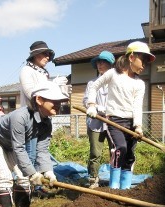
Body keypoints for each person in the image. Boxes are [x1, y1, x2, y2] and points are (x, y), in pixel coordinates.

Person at [0, 81, 68, 207]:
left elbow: (42, 150)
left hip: (9, 144)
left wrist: (48, 171)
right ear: (39, 100)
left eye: (60, 101)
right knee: (5, 175)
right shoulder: (20, 116)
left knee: (23, 178)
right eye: (54, 100)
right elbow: (19, 148)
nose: (58, 104)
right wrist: (33, 173)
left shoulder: (46, 123)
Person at [86, 41, 155, 190]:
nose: (144, 65)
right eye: (143, 60)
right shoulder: (113, 74)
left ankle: (126, 190)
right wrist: (91, 105)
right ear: (131, 57)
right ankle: (114, 187)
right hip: (114, 121)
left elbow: (137, 106)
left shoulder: (140, 84)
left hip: (130, 123)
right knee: (120, 149)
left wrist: (138, 126)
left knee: (129, 155)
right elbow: (94, 86)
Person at [19, 41, 69, 165]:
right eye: (45, 54)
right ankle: (27, 182)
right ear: (36, 55)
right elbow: (31, 93)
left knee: (41, 150)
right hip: (31, 115)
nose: (47, 57)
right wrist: (53, 85)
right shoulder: (27, 70)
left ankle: (38, 180)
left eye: (48, 55)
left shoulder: (43, 73)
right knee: (30, 152)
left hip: (44, 116)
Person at [83, 51, 115, 189]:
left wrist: (104, 109)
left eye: (103, 62)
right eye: (98, 62)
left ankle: (115, 179)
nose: (100, 64)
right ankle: (93, 178)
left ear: (110, 64)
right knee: (95, 152)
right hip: (95, 123)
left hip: (113, 122)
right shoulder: (92, 83)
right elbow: (86, 101)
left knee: (115, 151)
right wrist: (94, 107)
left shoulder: (116, 82)